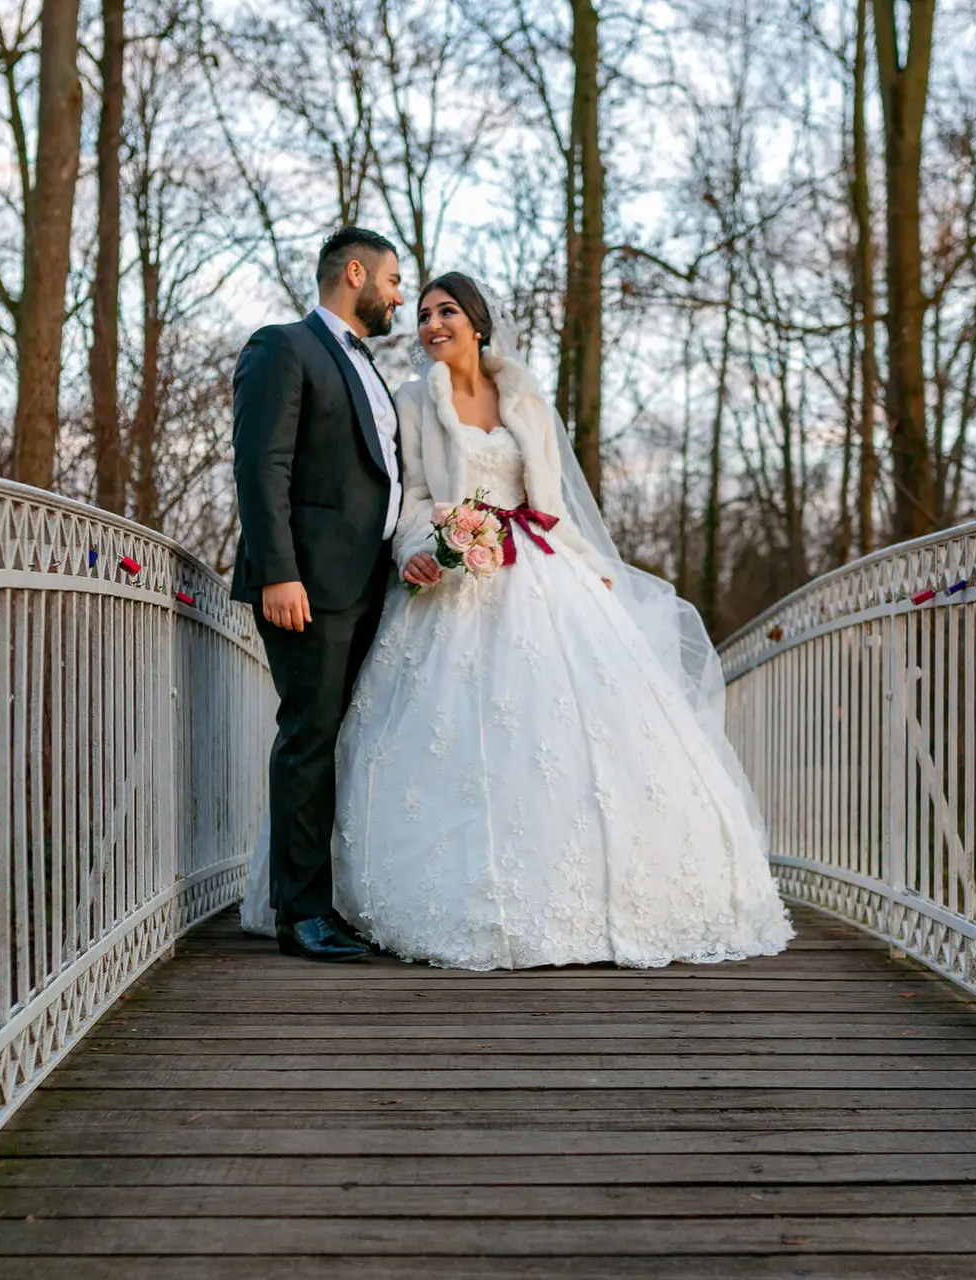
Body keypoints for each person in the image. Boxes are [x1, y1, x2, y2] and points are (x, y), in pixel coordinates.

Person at [248, 269, 792, 970]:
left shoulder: (525, 398)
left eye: (446, 311)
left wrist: (590, 569)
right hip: (452, 580)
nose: (432, 324)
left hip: (540, 570)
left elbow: (552, 500)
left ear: (477, 321)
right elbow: (411, 497)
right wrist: (424, 549)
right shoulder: (413, 401)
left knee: (578, 735)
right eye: (422, 314)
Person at [229, 227, 404, 962]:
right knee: (308, 739)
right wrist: (278, 571)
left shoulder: (366, 366)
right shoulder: (283, 347)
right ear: (354, 273)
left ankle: (332, 900)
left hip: (371, 585)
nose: (399, 295)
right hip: (308, 584)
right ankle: (299, 914)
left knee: (343, 740)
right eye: (393, 280)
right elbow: (261, 464)